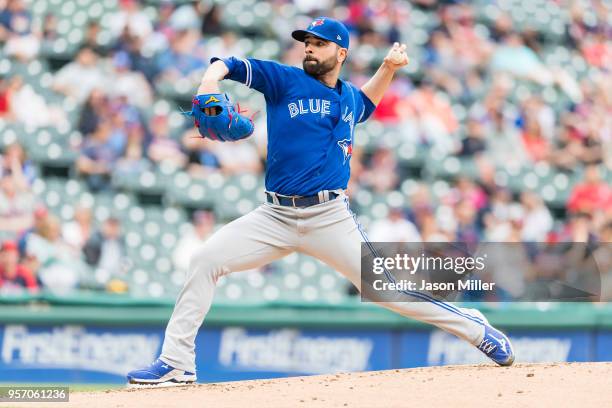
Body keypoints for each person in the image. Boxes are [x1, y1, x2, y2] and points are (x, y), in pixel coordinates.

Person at [128, 17, 514, 386]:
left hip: (329, 217)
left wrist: (388, 67)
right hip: (275, 216)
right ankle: (177, 363)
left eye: (319, 44)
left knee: (388, 292)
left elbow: (366, 103)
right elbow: (226, 64)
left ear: (341, 53)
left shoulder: (347, 98)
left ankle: (476, 328)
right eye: (307, 43)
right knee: (204, 260)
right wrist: (206, 86)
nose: (309, 49)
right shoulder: (285, 81)